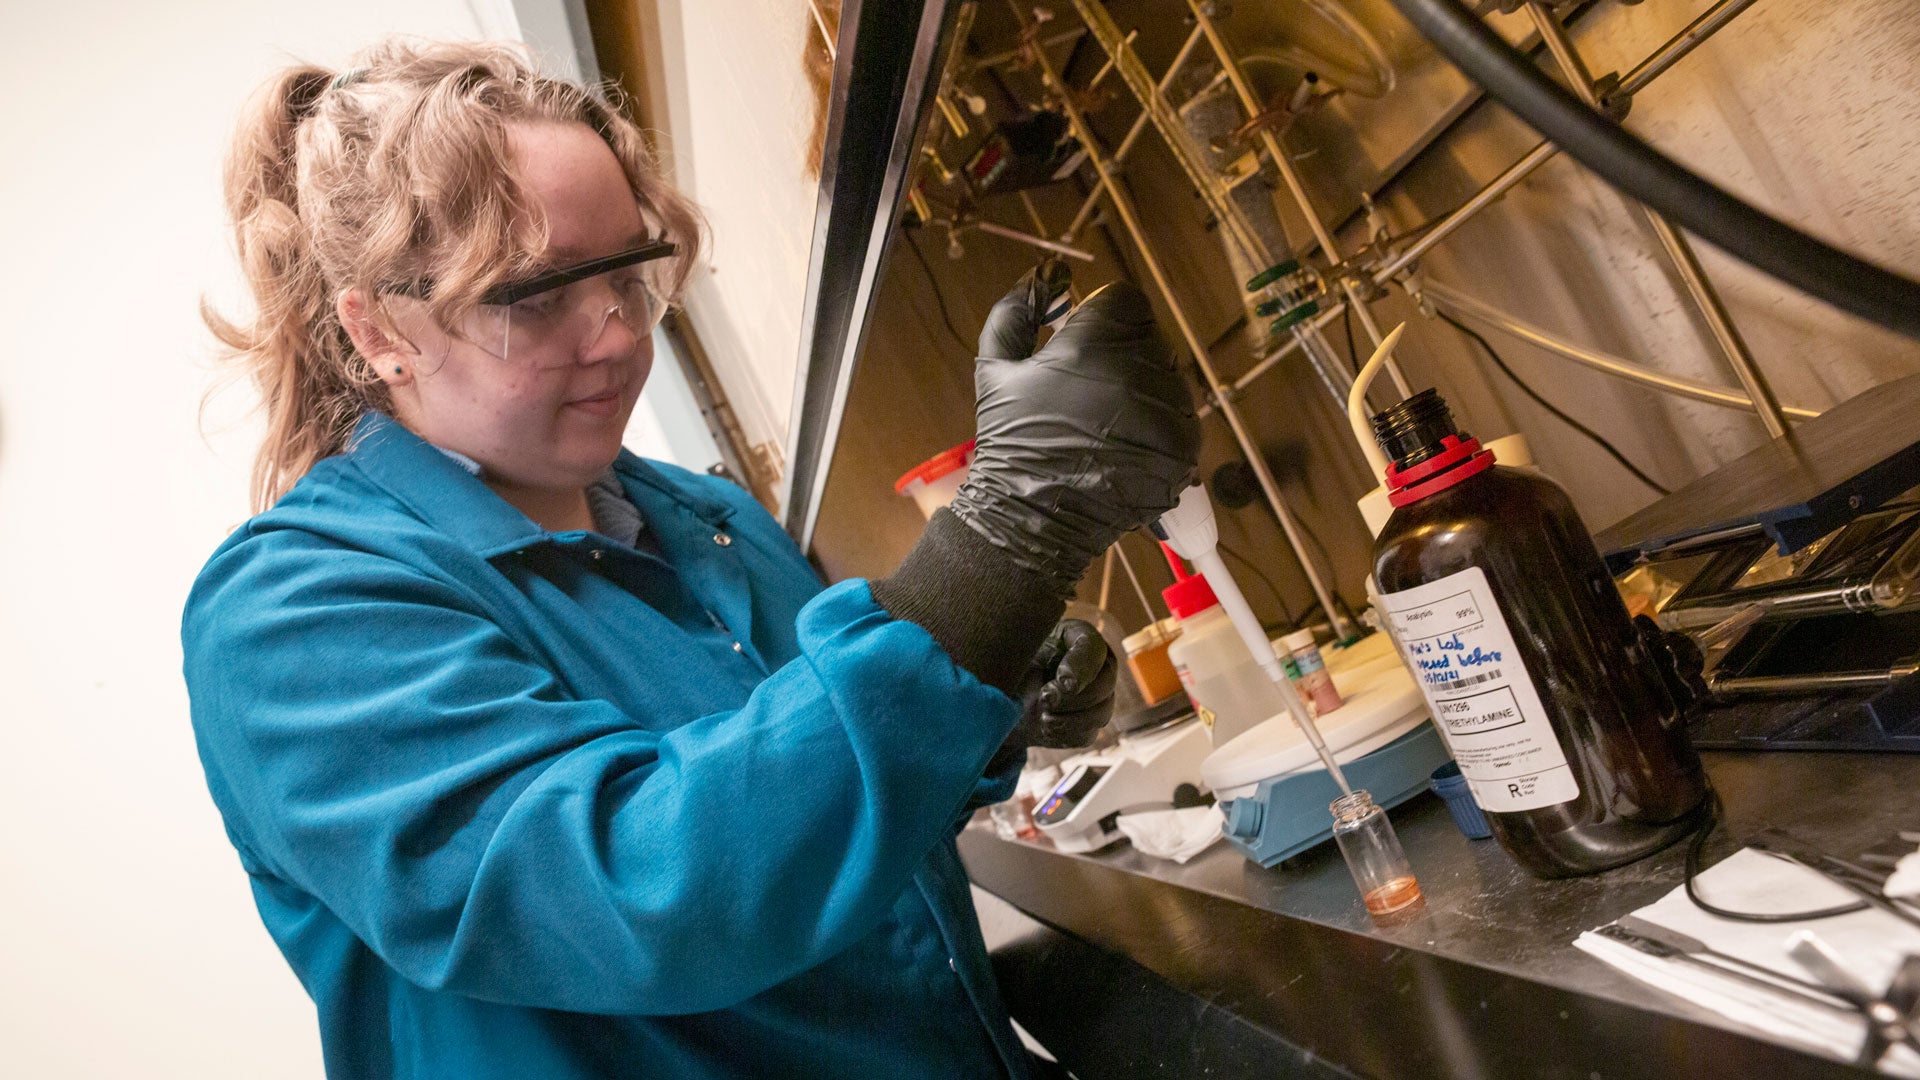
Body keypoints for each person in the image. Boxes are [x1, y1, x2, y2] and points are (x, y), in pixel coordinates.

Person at [183, 39, 1199, 1080]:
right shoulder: (294, 610)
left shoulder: (698, 514)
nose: (618, 335)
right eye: (535, 297)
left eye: (630, 273)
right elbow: (639, 894)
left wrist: (976, 686)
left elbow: (812, 824)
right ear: (378, 326)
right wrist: (992, 553)